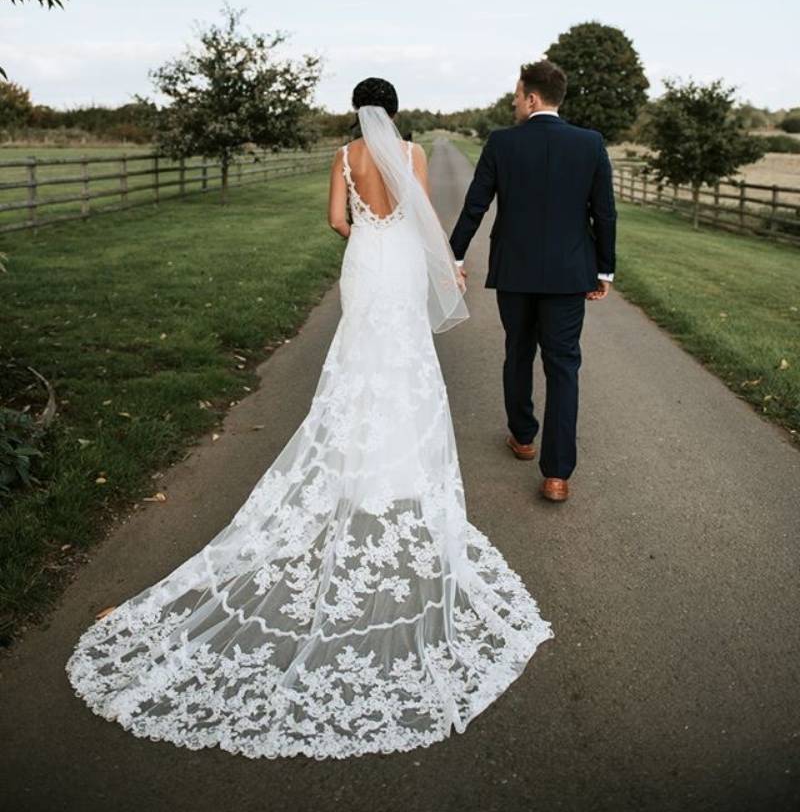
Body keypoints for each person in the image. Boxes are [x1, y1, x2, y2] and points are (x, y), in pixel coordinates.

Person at [65, 76, 554, 761]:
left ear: (359, 111)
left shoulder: (344, 156)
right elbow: (418, 217)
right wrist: (445, 261)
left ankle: (350, 466)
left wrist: (365, 229)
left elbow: (335, 222)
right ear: (398, 110)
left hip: (363, 262)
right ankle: (400, 469)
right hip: (400, 263)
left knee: (357, 362)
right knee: (403, 361)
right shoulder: (409, 153)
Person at [449, 60, 617, 503]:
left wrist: (455, 254)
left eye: (516, 94)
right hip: (568, 274)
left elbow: (475, 205)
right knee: (563, 367)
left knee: (518, 351)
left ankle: (523, 437)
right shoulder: (590, 143)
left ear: (532, 98)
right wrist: (604, 269)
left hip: (516, 271)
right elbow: (604, 212)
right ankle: (557, 475)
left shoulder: (502, 143)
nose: (512, 102)